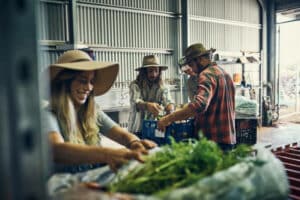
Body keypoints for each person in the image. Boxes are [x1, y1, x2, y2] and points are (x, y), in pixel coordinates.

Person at [42, 50, 156, 173]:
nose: (89, 88)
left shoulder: (92, 112)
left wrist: (134, 142)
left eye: (91, 82)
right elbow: (56, 150)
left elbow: (121, 134)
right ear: (64, 82)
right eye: (82, 80)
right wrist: (107, 154)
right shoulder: (48, 115)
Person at [158, 43, 236, 151]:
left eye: (191, 64)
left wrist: (168, 119)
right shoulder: (224, 73)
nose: (191, 68)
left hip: (212, 141)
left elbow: (199, 105)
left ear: (199, 60)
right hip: (228, 138)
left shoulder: (206, 74)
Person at [128, 55, 175, 136]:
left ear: (159, 72)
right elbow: (136, 101)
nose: (153, 74)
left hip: (154, 127)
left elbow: (168, 101)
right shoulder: (135, 85)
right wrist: (147, 105)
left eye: (156, 71)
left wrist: (170, 109)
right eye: (150, 71)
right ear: (144, 72)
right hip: (137, 128)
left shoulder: (162, 86)